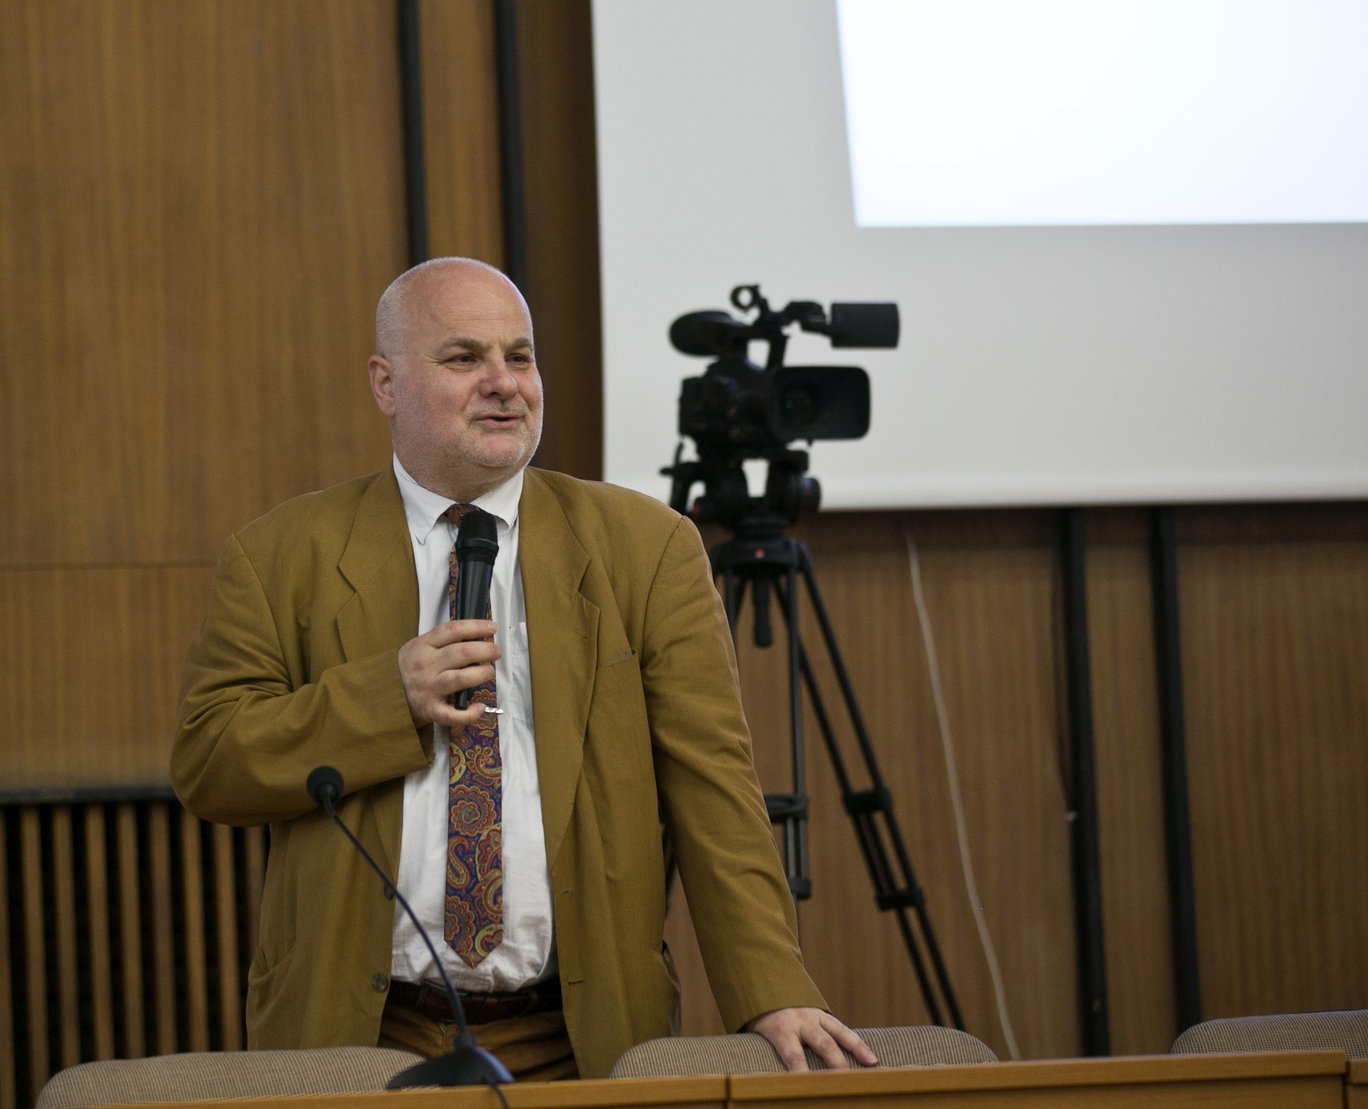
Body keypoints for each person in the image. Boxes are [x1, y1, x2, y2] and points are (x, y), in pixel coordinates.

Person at [171, 257, 875, 1079]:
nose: (504, 383)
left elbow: (713, 787)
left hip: (578, 1034)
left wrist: (771, 990)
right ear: (386, 383)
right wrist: (388, 696)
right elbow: (210, 760)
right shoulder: (279, 555)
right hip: (359, 1033)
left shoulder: (646, 548)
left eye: (521, 356)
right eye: (464, 357)